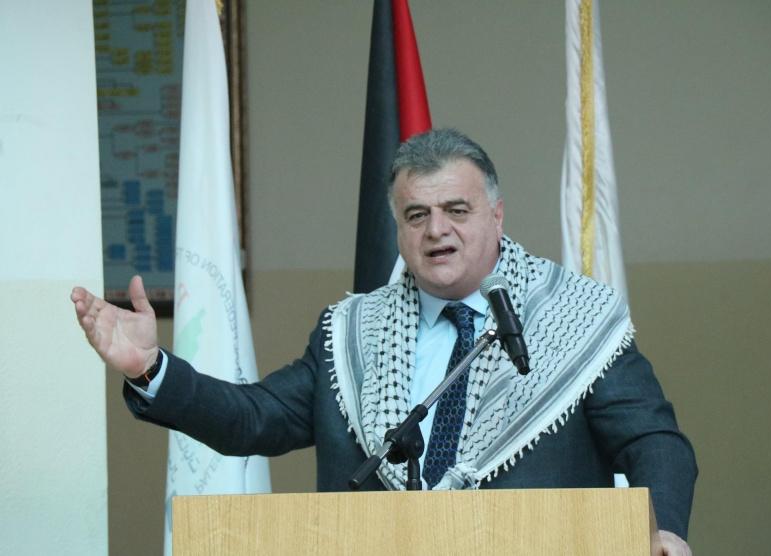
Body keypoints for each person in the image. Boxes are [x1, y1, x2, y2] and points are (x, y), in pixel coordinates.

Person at [72, 128, 697, 555]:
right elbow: (253, 418)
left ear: (497, 216)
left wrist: (665, 530)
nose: (437, 231)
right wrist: (151, 367)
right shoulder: (352, 332)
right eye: (417, 215)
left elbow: (654, 441)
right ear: (398, 228)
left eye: (457, 210)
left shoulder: (573, 316)